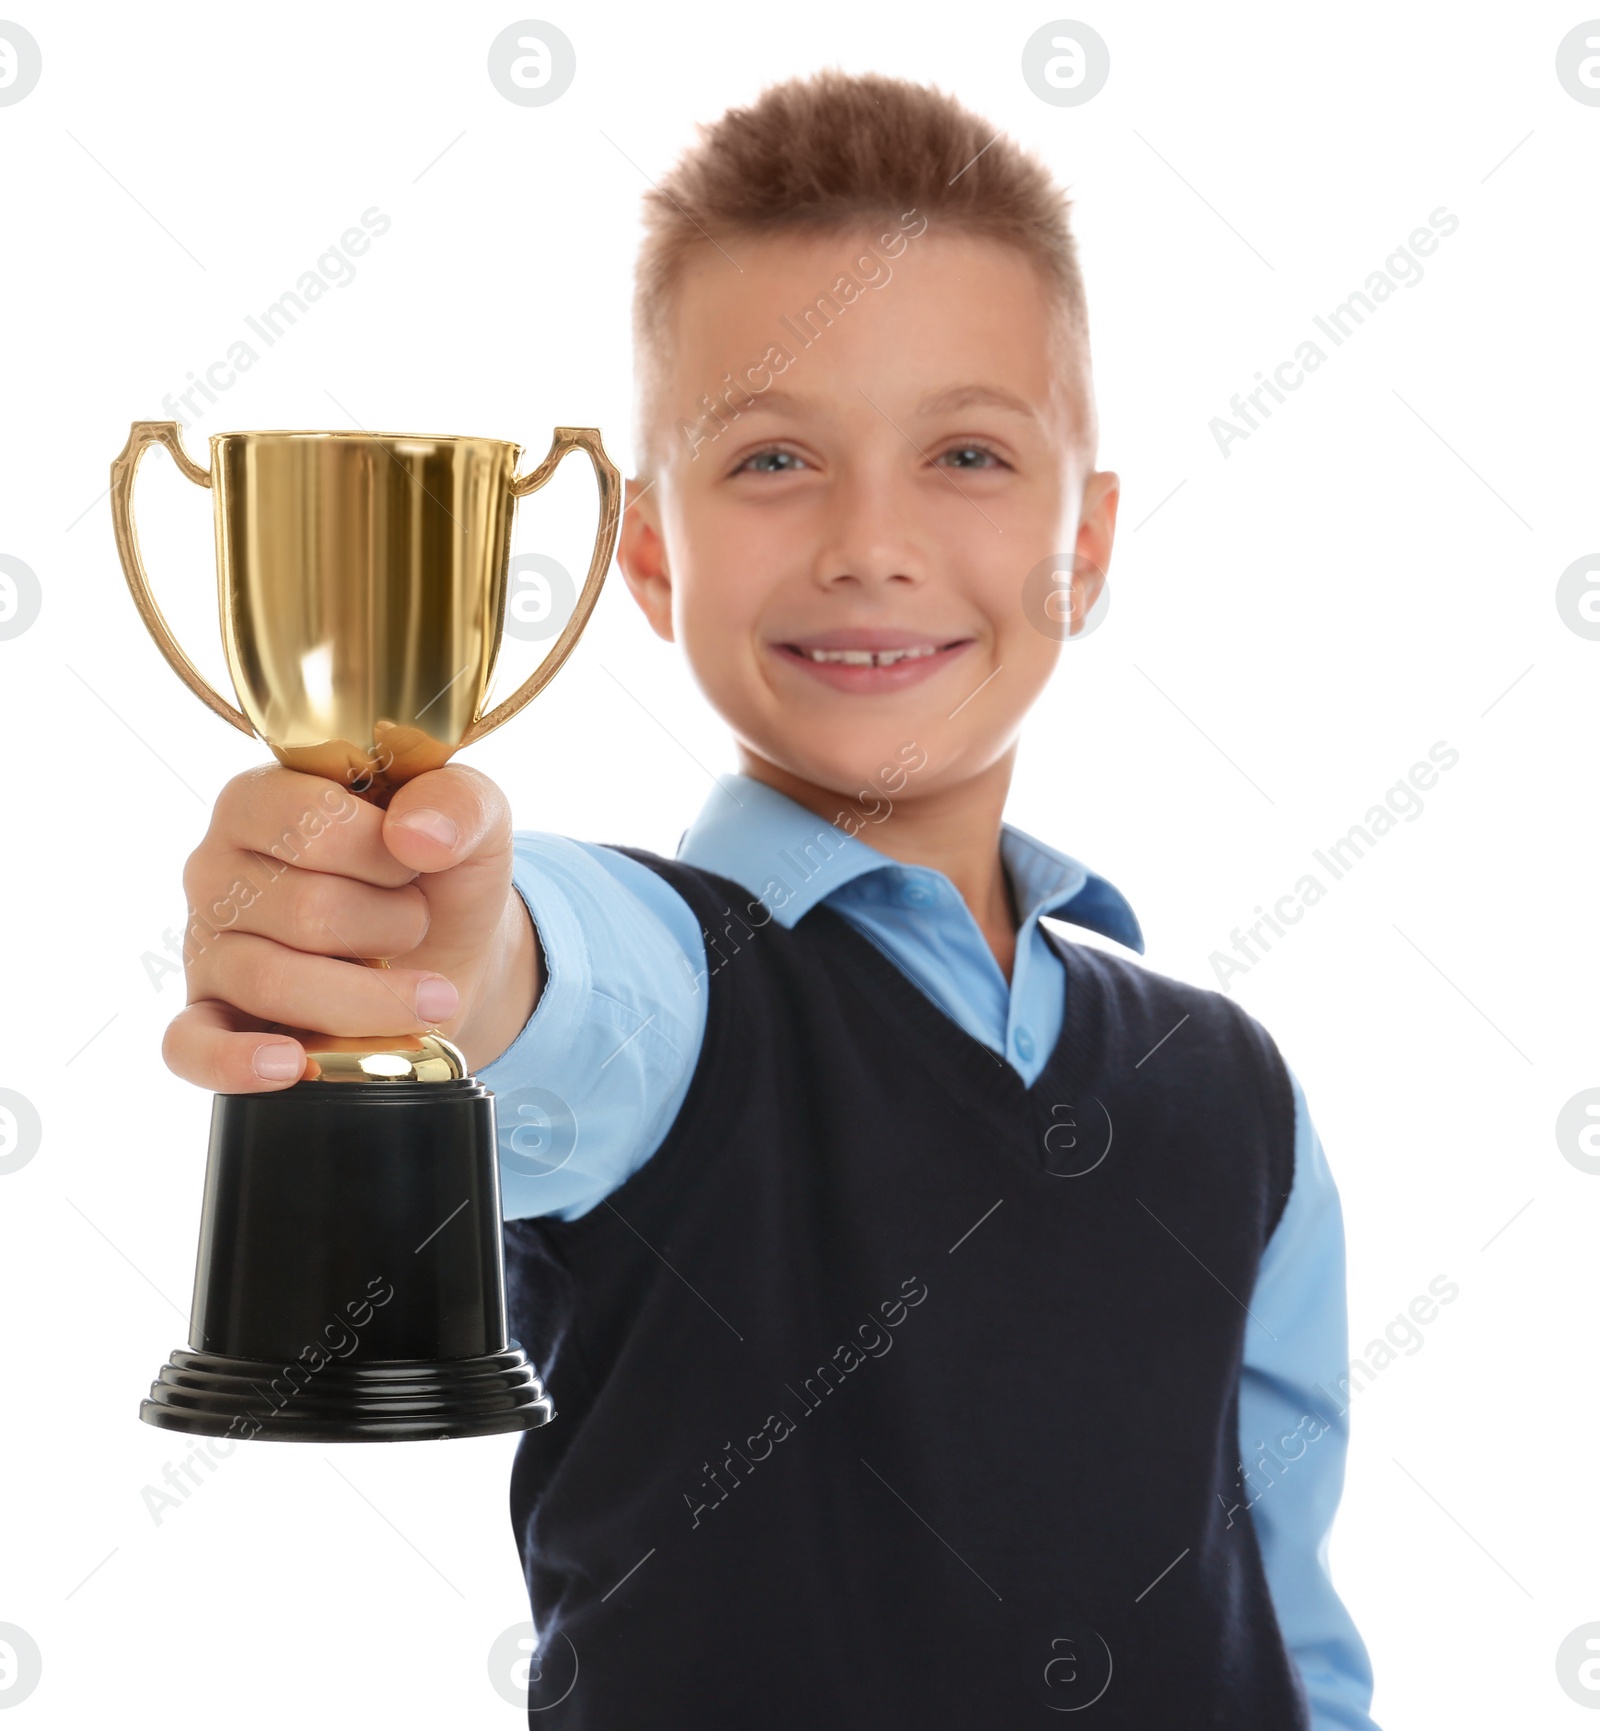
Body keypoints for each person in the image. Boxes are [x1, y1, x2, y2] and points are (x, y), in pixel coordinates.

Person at [163, 69, 1378, 1730]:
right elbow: (561, 985)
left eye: (964, 451)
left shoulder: (1236, 1089)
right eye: (775, 459)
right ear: (648, 558)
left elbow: (1289, 1610)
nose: (869, 543)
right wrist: (432, 941)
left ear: (1084, 545)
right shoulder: (669, 994)